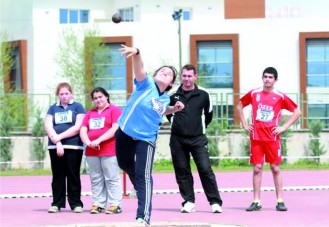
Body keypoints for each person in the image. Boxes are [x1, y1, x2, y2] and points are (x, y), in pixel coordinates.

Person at [115, 45, 184, 225]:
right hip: (125, 132)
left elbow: (159, 110)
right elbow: (139, 67)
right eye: (162, 70)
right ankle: (139, 187)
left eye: (168, 73)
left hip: (146, 138)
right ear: (154, 75)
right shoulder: (145, 84)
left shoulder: (165, 98)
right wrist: (137, 52)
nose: (164, 72)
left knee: (143, 174)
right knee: (123, 163)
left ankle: (143, 217)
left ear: (170, 84)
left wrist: (172, 108)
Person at [236, 67, 301, 212]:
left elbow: (297, 111)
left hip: (272, 138)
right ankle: (256, 201)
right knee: (257, 168)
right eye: (265, 76)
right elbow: (239, 106)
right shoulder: (254, 93)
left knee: (275, 168)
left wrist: (283, 127)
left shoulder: (280, 96)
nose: (267, 79)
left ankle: (280, 201)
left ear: (275, 80)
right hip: (256, 137)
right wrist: (245, 124)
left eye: (270, 77)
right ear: (262, 78)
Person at [166, 64, 223, 214]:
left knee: (205, 169)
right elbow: (167, 112)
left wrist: (198, 127)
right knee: (182, 171)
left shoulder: (204, 94)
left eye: (189, 76)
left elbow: (208, 115)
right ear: (181, 77)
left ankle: (215, 202)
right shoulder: (172, 94)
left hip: (198, 139)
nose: (186, 79)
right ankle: (189, 202)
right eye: (184, 76)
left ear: (195, 76)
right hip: (177, 139)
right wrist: (176, 123)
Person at [80, 87, 123, 214]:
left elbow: (115, 128)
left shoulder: (114, 110)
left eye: (100, 97)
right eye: (95, 98)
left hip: (109, 149)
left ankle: (115, 204)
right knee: (96, 178)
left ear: (106, 96)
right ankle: (98, 203)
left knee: (111, 177)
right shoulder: (90, 113)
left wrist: (98, 140)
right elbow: (83, 129)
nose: (98, 100)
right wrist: (88, 143)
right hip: (92, 151)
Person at [44, 82, 85, 213]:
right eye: (61, 94)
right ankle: (56, 203)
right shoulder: (52, 108)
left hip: (74, 147)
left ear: (71, 93)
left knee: (73, 175)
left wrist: (59, 137)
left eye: (66, 93)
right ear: (58, 95)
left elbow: (77, 127)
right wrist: (57, 142)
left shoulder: (78, 107)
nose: (64, 96)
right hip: (55, 147)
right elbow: (48, 126)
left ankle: (76, 204)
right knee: (58, 175)